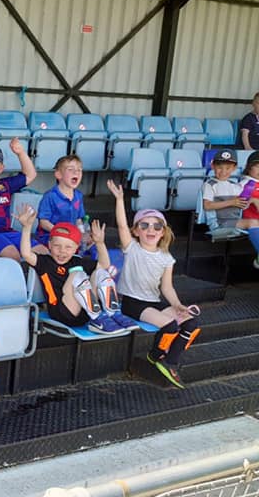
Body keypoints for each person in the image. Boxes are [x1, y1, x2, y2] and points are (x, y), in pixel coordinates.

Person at [108, 180, 200, 388]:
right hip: (133, 303)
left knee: (191, 322)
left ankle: (170, 362)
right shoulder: (132, 248)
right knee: (170, 325)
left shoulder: (166, 257)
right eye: (144, 225)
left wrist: (177, 305)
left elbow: (166, 287)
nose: (151, 229)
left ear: (163, 232)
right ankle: (155, 355)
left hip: (152, 301)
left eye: (157, 226)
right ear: (136, 231)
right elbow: (121, 224)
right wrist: (120, 199)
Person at [19, 207, 139, 334]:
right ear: (49, 245)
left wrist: (99, 243)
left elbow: (104, 265)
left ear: (76, 247)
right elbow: (26, 254)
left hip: (85, 313)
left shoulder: (77, 260)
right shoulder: (45, 262)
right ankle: (98, 318)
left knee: (101, 273)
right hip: (61, 312)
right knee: (78, 273)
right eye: (57, 246)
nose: (62, 251)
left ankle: (113, 313)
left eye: (68, 247)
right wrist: (27, 228)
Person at [37, 155, 90, 250]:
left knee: (94, 242)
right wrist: (61, 233)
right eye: (70, 169)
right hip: (50, 236)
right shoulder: (50, 196)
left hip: (70, 237)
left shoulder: (78, 196)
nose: (76, 172)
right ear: (58, 175)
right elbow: (43, 222)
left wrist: (82, 233)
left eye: (79, 170)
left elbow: (78, 219)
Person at [201, 150, 249, 234]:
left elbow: (243, 205)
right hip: (220, 223)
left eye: (228, 168)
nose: (223, 172)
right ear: (212, 166)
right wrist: (232, 202)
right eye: (219, 168)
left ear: (234, 168)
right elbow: (207, 206)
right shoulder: (209, 185)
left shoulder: (235, 185)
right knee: (253, 223)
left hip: (236, 221)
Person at [237, 152, 259, 268]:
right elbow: (241, 204)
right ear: (249, 168)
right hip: (252, 220)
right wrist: (254, 200)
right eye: (258, 166)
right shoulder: (247, 184)